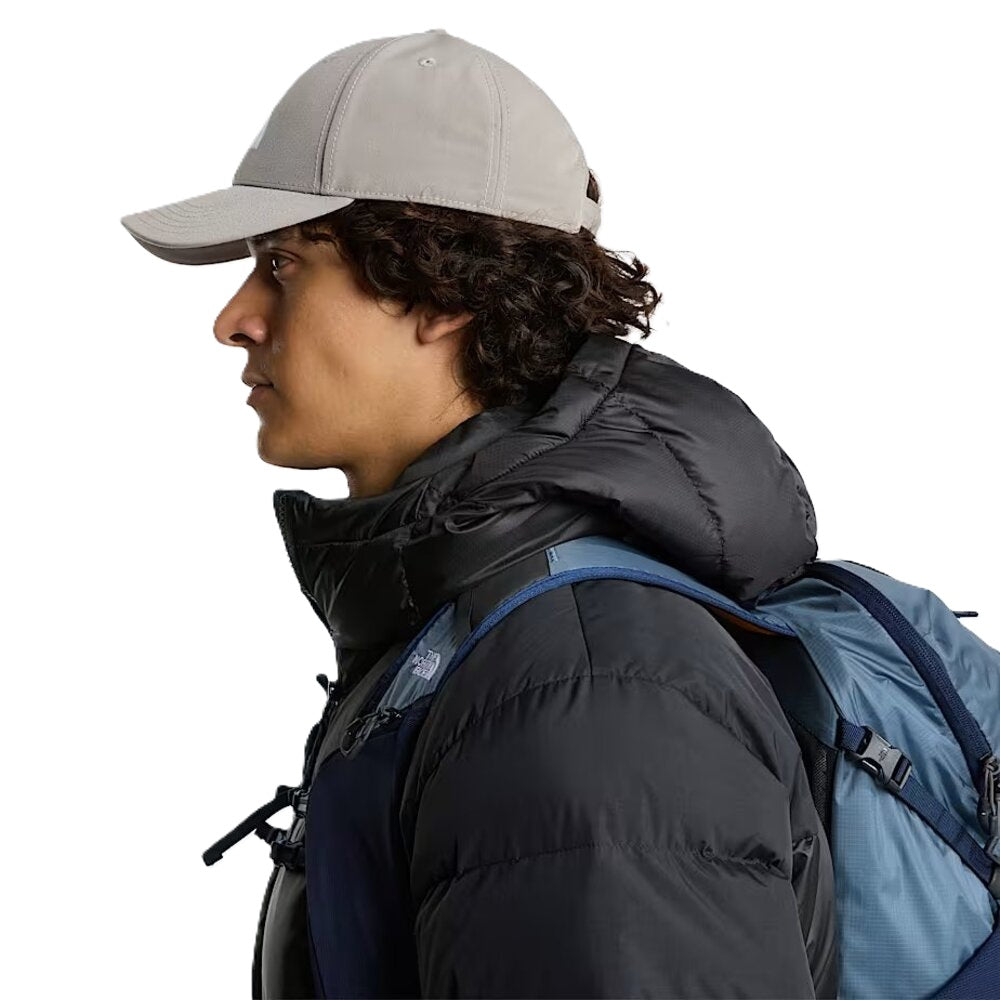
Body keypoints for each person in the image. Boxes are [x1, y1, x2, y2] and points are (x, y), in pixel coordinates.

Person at [121, 27, 839, 999]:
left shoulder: (583, 689)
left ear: (440, 290)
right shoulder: (482, 633)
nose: (234, 319)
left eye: (283, 266)